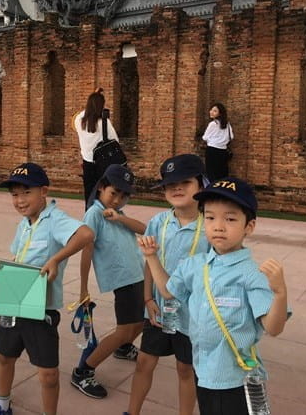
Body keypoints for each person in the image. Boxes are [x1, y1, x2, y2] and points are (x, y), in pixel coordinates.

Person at [139, 177, 290, 415]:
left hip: (235, 378)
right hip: (204, 372)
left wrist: (280, 294)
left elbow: (273, 327)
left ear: (249, 226)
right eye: (210, 217)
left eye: (230, 219)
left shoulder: (251, 274)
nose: (218, 226)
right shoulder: (196, 265)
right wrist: (151, 257)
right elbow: (168, 291)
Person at [0, 163, 94, 415]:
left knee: (48, 373)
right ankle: (2, 404)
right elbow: (19, 256)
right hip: (15, 298)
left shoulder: (55, 219)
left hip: (40, 308)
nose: (20, 200)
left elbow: (86, 234)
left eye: (26, 193)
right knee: (4, 355)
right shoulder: (25, 222)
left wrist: (56, 259)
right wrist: (6, 275)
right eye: (14, 194)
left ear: (43, 191)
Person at [127, 154, 210, 415]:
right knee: (144, 362)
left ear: (201, 184)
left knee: (186, 369)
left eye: (184, 182)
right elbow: (151, 263)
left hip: (192, 315)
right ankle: (132, 411)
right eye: (169, 184)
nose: (176, 188)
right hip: (161, 310)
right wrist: (148, 300)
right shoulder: (158, 223)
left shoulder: (210, 226)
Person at [72, 164, 146, 399]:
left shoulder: (117, 214)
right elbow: (86, 250)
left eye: (124, 196)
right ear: (102, 188)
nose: (117, 200)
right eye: (113, 193)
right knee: (125, 329)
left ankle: (123, 348)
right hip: (123, 280)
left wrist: (119, 218)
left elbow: (146, 229)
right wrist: (83, 289)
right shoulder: (94, 214)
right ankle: (83, 371)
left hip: (139, 276)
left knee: (143, 320)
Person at [73, 88, 120, 210]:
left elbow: (83, 113)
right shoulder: (104, 123)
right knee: (103, 193)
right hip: (102, 163)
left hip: (87, 162)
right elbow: (115, 142)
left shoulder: (79, 120)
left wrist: (94, 94)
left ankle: (89, 218)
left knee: (89, 194)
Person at [201, 102, 233, 182]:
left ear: (220, 113)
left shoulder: (212, 124)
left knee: (211, 174)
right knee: (222, 174)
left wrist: (213, 139)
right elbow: (231, 137)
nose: (211, 112)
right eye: (211, 110)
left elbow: (205, 137)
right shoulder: (227, 124)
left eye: (215, 111)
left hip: (212, 151)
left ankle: (212, 192)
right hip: (223, 151)